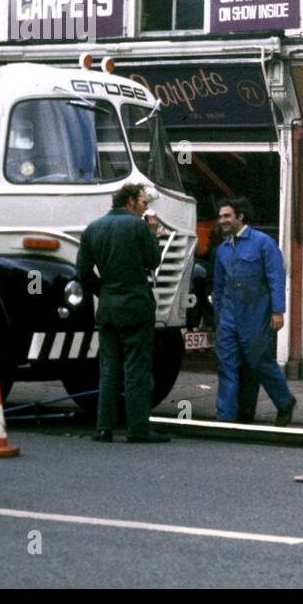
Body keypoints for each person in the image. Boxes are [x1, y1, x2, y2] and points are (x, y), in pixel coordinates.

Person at [76, 182, 169, 443]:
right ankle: (137, 429)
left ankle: (103, 427)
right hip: (136, 308)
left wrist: (104, 292)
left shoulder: (93, 228)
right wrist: (153, 235)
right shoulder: (138, 226)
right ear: (129, 202)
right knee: (136, 370)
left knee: (108, 369)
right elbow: (153, 261)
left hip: (108, 309)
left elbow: (82, 273)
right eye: (143, 202)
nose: (145, 208)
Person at [213, 197, 296, 426]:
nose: (223, 221)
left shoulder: (263, 243)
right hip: (229, 317)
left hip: (256, 315)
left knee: (259, 363)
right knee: (227, 366)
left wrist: (278, 311)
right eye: (221, 217)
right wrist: (218, 319)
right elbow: (218, 287)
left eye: (227, 216)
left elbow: (275, 278)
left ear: (240, 216)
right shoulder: (222, 249)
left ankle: (285, 401)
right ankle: (226, 419)